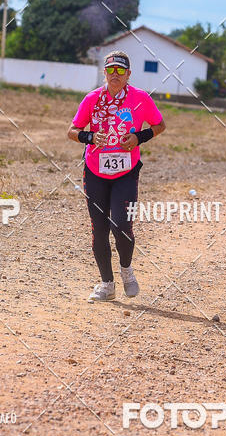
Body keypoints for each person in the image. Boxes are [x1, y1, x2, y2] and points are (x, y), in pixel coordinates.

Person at [68, 51, 166, 301]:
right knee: (99, 229)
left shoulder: (140, 98)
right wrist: (90, 137)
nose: (115, 74)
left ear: (128, 74)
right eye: (110, 69)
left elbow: (159, 125)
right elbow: (72, 130)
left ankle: (127, 271)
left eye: (120, 70)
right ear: (104, 72)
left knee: (121, 225)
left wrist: (139, 137)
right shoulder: (92, 99)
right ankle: (107, 285)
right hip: (95, 171)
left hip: (126, 172)